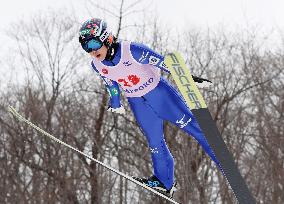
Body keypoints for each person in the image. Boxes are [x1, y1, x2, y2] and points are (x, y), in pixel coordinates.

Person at [79, 18, 220, 198]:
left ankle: (222, 159)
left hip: (159, 95)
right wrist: (115, 102)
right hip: (137, 103)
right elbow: (110, 84)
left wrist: (188, 78)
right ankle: (164, 182)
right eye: (86, 47)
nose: (91, 50)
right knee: (155, 143)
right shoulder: (97, 65)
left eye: (93, 43)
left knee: (192, 127)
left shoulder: (132, 50)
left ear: (106, 38)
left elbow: (163, 62)